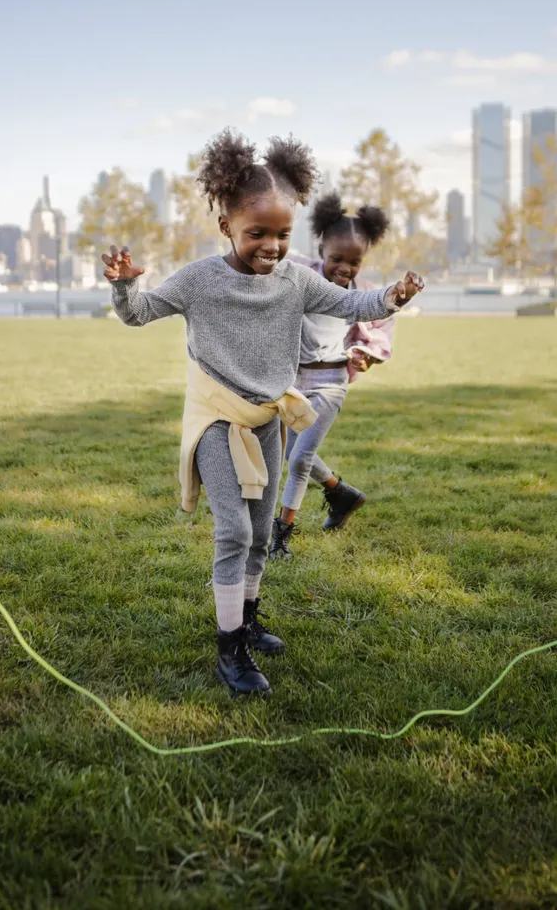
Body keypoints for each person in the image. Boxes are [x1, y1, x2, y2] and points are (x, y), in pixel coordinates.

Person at [102, 129, 424, 698]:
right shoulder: (201, 279)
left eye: (281, 233)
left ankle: (247, 619)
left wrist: (395, 297)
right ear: (226, 225)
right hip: (217, 421)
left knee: (258, 531)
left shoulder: (296, 279)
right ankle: (231, 652)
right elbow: (140, 313)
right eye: (257, 233)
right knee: (233, 529)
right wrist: (126, 288)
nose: (271, 246)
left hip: (270, 419)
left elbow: (353, 303)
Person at [269, 192, 396, 562]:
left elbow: (383, 332)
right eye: (337, 258)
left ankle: (281, 536)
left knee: (298, 460)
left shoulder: (367, 295)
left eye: (354, 262)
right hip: (292, 383)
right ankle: (340, 493)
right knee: (292, 452)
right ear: (322, 248)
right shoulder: (301, 275)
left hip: (330, 385)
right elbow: (271, 255)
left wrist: (366, 354)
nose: (345, 268)